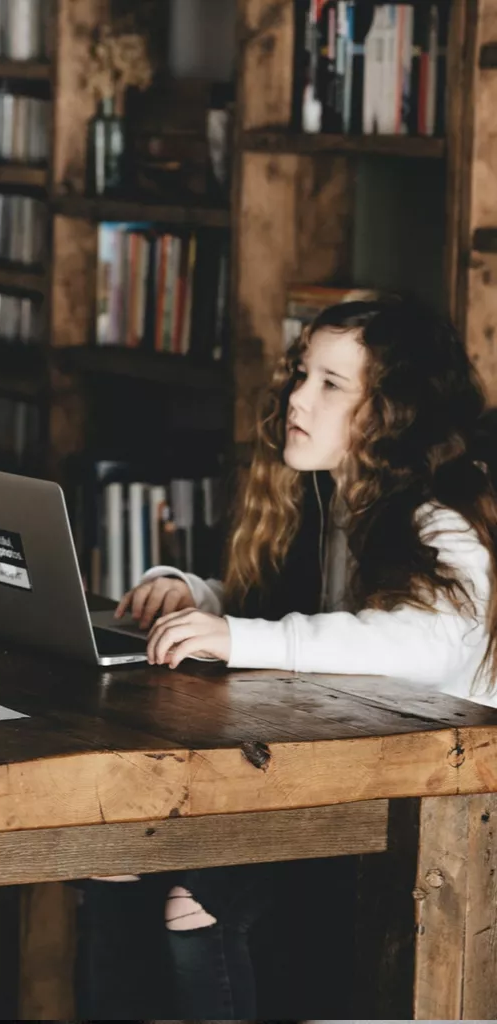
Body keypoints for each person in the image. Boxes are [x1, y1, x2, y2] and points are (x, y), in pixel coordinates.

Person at [114, 298, 497, 1017]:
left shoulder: (438, 519)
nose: (297, 397)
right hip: (351, 784)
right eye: (299, 375)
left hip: (442, 813)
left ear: (394, 412)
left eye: (330, 383)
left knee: (194, 898)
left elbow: (426, 639)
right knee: (115, 861)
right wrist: (197, 598)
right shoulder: (344, 505)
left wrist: (248, 639)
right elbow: (332, 621)